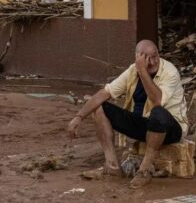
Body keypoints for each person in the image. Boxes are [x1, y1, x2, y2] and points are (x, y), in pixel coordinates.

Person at [67, 40, 188, 189]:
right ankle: (112, 167)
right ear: (138, 59)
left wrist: (143, 72)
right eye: (147, 58)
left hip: (170, 129)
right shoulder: (132, 70)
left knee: (158, 112)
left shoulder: (169, 71)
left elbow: (157, 100)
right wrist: (79, 117)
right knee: (99, 108)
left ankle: (143, 171)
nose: (152, 62)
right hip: (145, 125)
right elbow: (105, 92)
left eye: (155, 56)